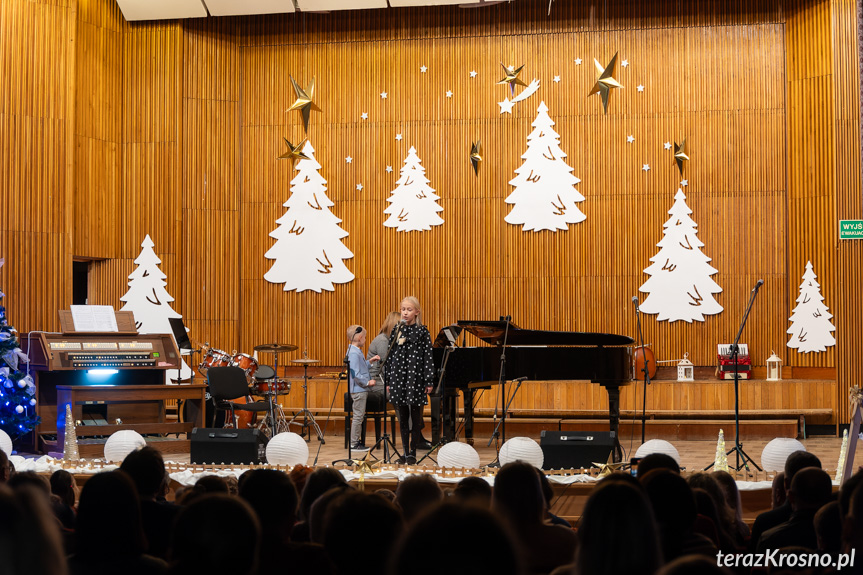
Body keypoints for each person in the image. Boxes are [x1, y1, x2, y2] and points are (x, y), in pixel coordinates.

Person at [384, 296, 435, 464]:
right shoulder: (396, 330)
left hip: (416, 379)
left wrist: (429, 381)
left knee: (415, 417)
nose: (405, 313)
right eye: (403, 309)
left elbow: (428, 357)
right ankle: (405, 453)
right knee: (403, 418)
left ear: (417, 312)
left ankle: (413, 452)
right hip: (399, 378)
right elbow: (390, 356)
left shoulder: (422, 332)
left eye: (409, 310)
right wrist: (389, 381)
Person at [346, 324, 380, 450]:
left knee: (359, 417)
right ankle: (354, 444)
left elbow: (360, 367)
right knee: (358, 417)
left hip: (360, 389)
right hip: (359, 389)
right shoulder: (354, 353)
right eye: (365, 337)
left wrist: (370, 362)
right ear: (360, 337)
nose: (365, 340)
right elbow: (355, 373)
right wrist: (367, 383)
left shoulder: (355, 351)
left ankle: (356, 442)